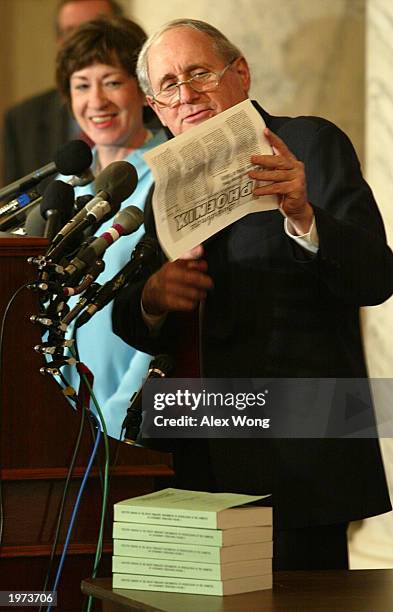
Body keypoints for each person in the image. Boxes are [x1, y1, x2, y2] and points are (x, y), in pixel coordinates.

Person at [112, 18, 393, 570]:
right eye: (168, 86)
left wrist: (303, 215)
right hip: (197, 452)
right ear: (156, 107)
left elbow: (376, 278)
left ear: (239, 72)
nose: (186, 94)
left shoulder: (309, 142)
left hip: (299, 453)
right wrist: (154, 296)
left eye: (199, 73)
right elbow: (129, 315)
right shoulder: (159, 189)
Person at [51, 15, 166, 437]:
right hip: (62, 407)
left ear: (141, 90)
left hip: (135, 407)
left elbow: (167, 305)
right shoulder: (61, 189)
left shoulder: (168, 172)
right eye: (82, 85)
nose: (96, 100)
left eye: (112, 82)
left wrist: (124, 406)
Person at [2, 0, 125, 184]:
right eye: (72, 32)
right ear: (59, 42)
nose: (84, 43)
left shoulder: (160, 124)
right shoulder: (22, 120)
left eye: (95, 30)